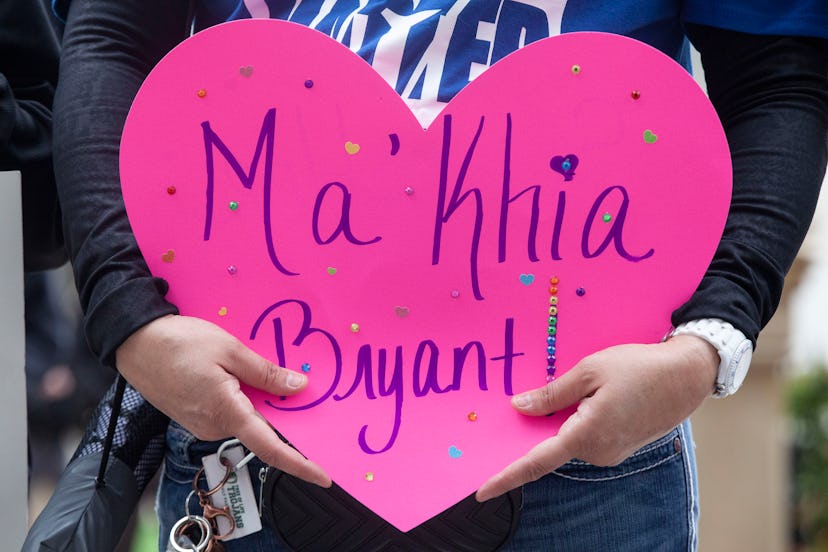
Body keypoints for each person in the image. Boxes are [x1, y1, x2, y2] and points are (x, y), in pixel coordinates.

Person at [51, 0, 828, 550]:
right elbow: (112, 37)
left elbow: (777, 77)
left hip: (584, 440)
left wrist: (708, 344)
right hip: (250, 419)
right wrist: (130, 319)